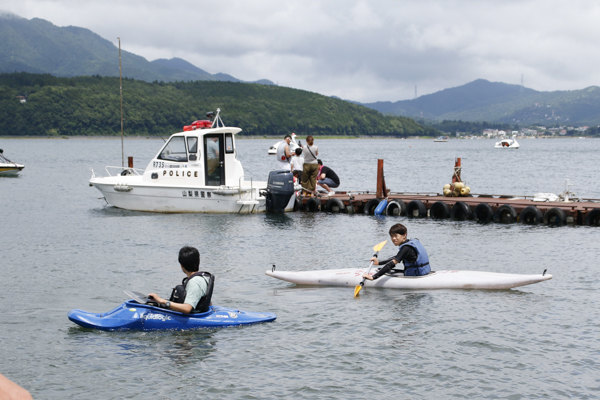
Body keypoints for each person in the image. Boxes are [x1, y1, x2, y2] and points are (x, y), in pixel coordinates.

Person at [149, 246, 214, 314]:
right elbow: (209, 303)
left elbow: (187, 309)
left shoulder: (194, 282)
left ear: (182, 265)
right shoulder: (203, 278)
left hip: (192, 317)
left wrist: (162, 301)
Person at [362, 223, 431, 280]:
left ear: (404, 235)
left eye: (396, 236)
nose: (393, 238)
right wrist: (379, 263)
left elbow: (392, 264)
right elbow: (397, 257)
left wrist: (373, 277)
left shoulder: (406, 248)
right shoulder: (410, 243)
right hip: (424, 273)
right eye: (392, 236)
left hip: (416, 276)